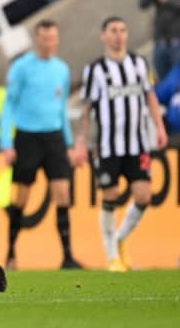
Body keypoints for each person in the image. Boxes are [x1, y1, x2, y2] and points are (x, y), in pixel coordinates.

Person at [73, 16, 168, 272]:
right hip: (108, 146)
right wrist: (81, 142)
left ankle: (120, 239)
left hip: (137, 144)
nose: (119, 35)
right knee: (111, 195)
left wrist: (159, 128)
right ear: (103, 36)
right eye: (113, 31)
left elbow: (149, 97)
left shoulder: (138, 63)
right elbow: (86, 108)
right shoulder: (95, 69)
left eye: (123, 30)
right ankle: (113, 255)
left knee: (143, 195)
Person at [0, 19, 82, 270]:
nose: (49, 43)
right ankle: (11, 253)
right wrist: (7, 142)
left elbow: (61, 109)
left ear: (57, 39)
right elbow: (9, 106)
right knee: (21, 198)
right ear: (38, 39)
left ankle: (67, 256)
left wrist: (68, 143)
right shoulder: (21, 68)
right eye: (44, 38)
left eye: (52, 38)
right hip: (27, 138)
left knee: (63, 194)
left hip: (54, 137)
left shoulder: (62, 69)